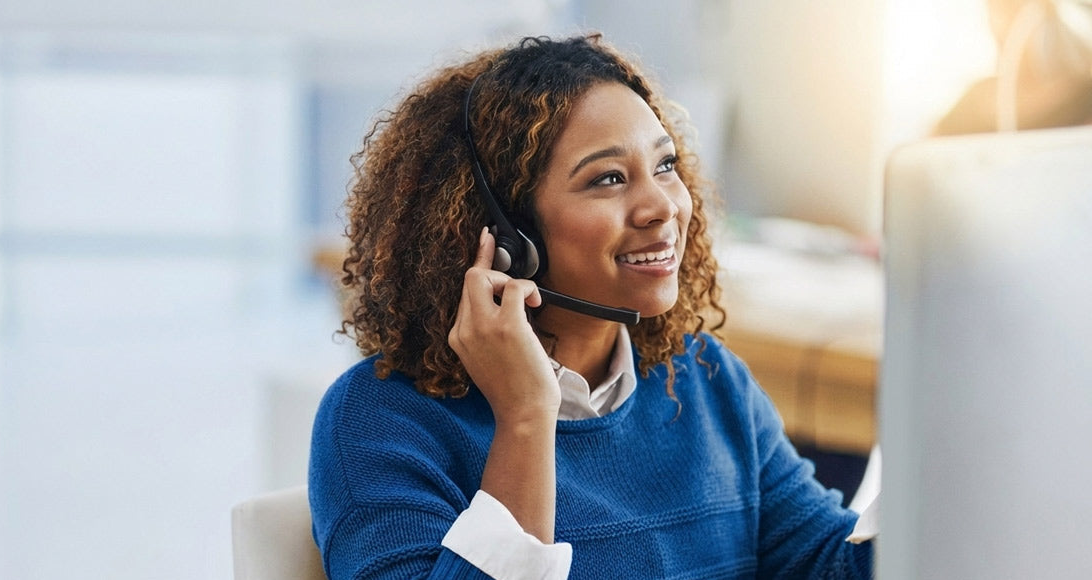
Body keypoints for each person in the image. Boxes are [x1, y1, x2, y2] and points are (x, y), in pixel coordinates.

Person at [308, 34, 873, 579]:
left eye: (665, 165)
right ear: (506, 233)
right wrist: (526, 419)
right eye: (608, 178)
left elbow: (829, 565)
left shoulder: (705, 379)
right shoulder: (380, 422)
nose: (662, 207)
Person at [935, 0, 1092, 135]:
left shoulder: (1084, 95)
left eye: (1013, 7)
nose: (1001, 24)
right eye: (996, 12)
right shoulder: (975, 99)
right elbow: (926, 155)